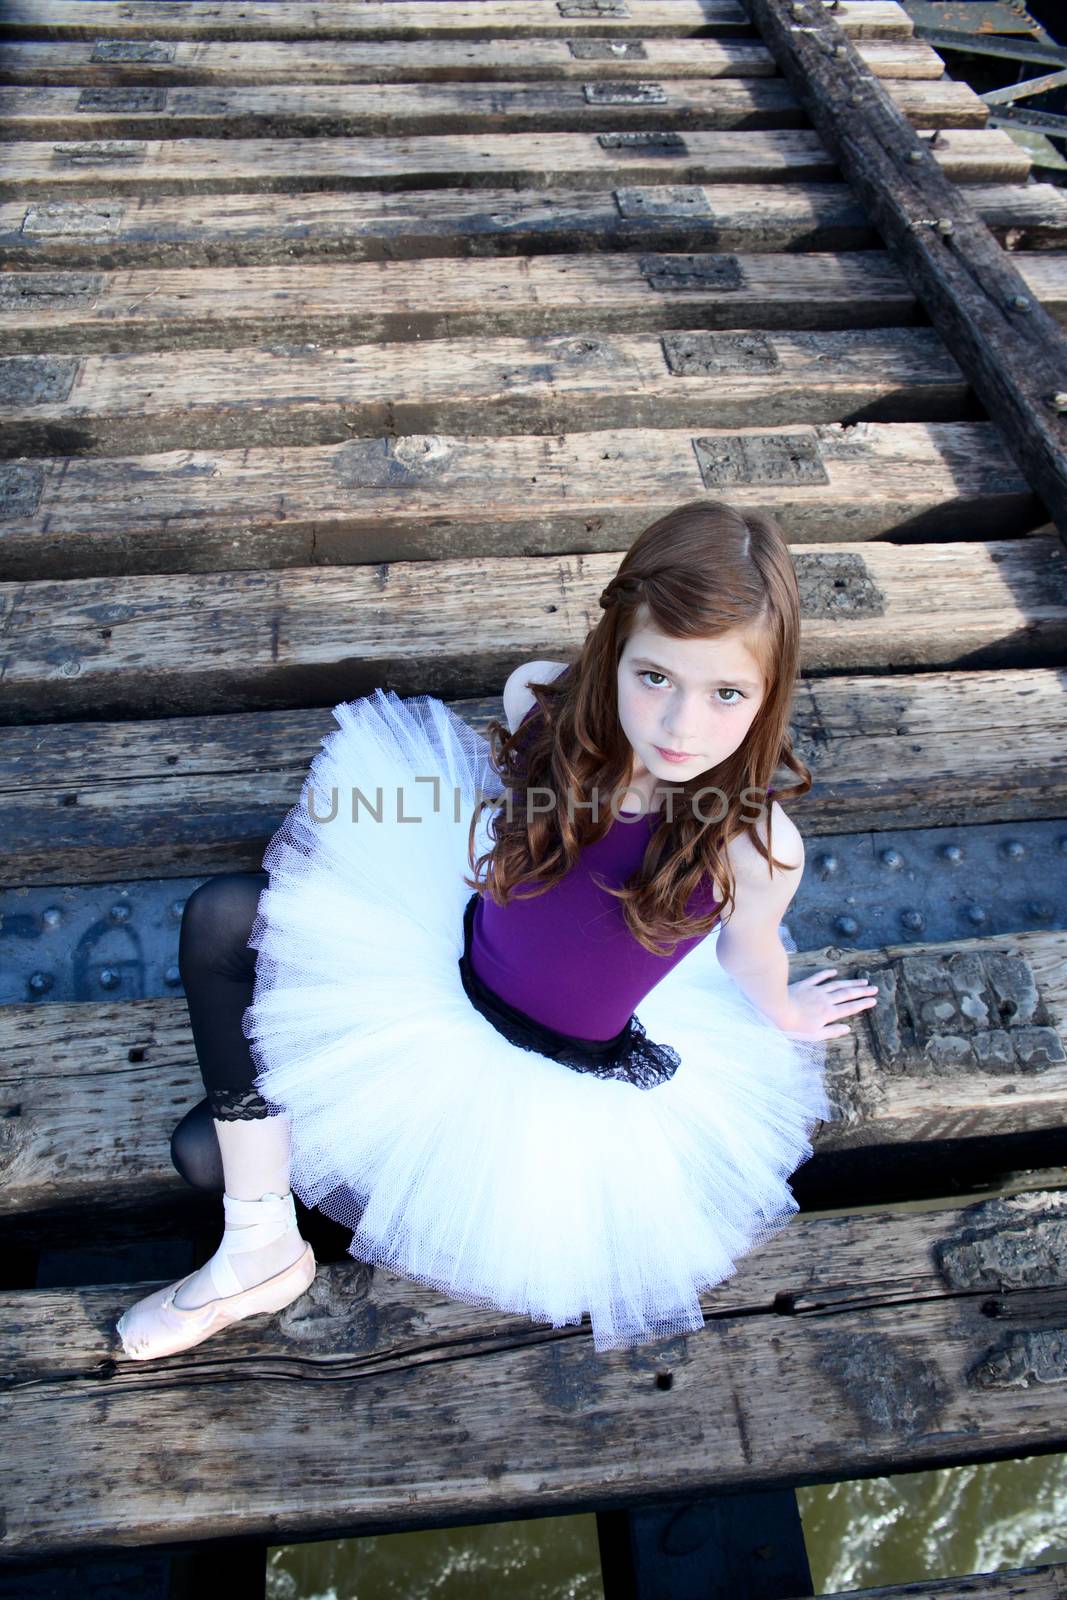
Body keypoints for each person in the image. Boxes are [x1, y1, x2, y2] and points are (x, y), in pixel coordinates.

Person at [116, 499, 879, 1361]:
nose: (680, 726)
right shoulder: (540, 706)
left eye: (726, 693)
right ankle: (261, 1247)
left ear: (768, 693)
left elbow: (751, 954)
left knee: (201, 1153)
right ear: (614, 647)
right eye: (655, 677)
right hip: (435, 982)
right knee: (223, 914)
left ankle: (294, 1234)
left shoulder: (755, 845)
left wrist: (784, 1012)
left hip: (537, 1088)